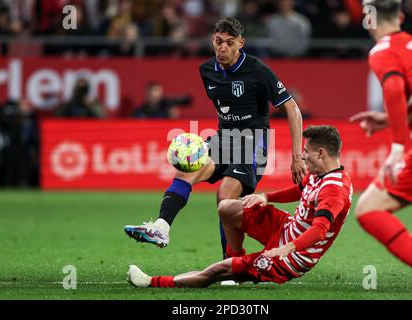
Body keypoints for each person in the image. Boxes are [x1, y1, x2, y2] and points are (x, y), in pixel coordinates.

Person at [124, 18, 306, 261]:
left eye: (230, 43)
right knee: (185, 172)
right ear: (212, 40)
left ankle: (231, 262)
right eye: (219, 42)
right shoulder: (207, 70)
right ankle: (161, 227)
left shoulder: (258, 71)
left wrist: (296, 157)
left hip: (253, 144)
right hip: (223, 140)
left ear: (241, 43)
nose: (223, 48)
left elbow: (292, 109)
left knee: (224, 196)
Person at [127, 125, 352, 288]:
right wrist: (266, 196)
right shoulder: (320, 174)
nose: (303, 157)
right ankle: (234, 263)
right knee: (227, 206)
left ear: (321, 153)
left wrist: (287, 248)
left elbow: (319, 230)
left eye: (306, 152)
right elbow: (299, 190)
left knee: (216, 271)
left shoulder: (334, 189)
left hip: (293, 257)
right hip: (285, 227)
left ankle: (151, 282)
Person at [350, 0, 412, 300]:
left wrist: (397, 149)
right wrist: (387, 120)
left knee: (368, 210)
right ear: (401, 17)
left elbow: (392, 90)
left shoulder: (382, 51)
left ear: (369, 19)